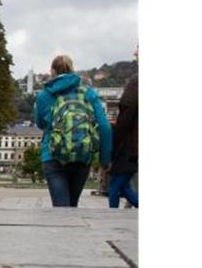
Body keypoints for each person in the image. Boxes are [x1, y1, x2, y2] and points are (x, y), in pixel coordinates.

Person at [33, 54, 112, 208]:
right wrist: (104, 159)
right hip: (82, 155)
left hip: (52, 155)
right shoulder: (88, 93)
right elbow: (105, 127)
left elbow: (40, 123)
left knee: (61, 208)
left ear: (52, 71)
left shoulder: (44, 95)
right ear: (72, 70)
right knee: (72, 207)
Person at [108, 67, 138, 209]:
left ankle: (112, 212)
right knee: (124, 187)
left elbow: (124, 122)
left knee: (114, 186)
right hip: (130, 155)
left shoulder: (134, 85)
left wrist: (112, 152)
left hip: (126, 153)